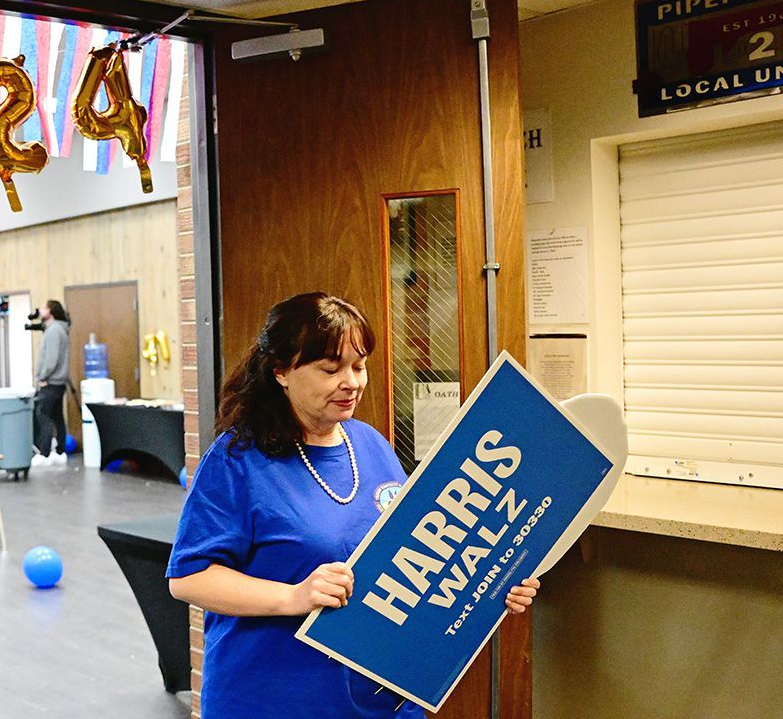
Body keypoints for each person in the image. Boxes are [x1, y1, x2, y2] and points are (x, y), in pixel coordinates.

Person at [167, 293, 539, 719]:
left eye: (358, 366)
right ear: (281, 371)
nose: (351, 382)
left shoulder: (371, 445)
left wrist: (492, 581)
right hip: (275, 700)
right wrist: (293, 596)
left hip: (380, 700)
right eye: (331, 369)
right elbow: (189, 579)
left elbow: (420, 560)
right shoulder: (237, 459)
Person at [31, 299, 70, 465]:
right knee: (57, 416)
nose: (40, 310)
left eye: (44, 308)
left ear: (51, 311)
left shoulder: (54, 331)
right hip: (58, 382)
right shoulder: (60, 329)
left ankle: (44, 452)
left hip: (51, 382)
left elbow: (51, 359)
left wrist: (42, 376)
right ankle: (60, 451)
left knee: (43, 415)